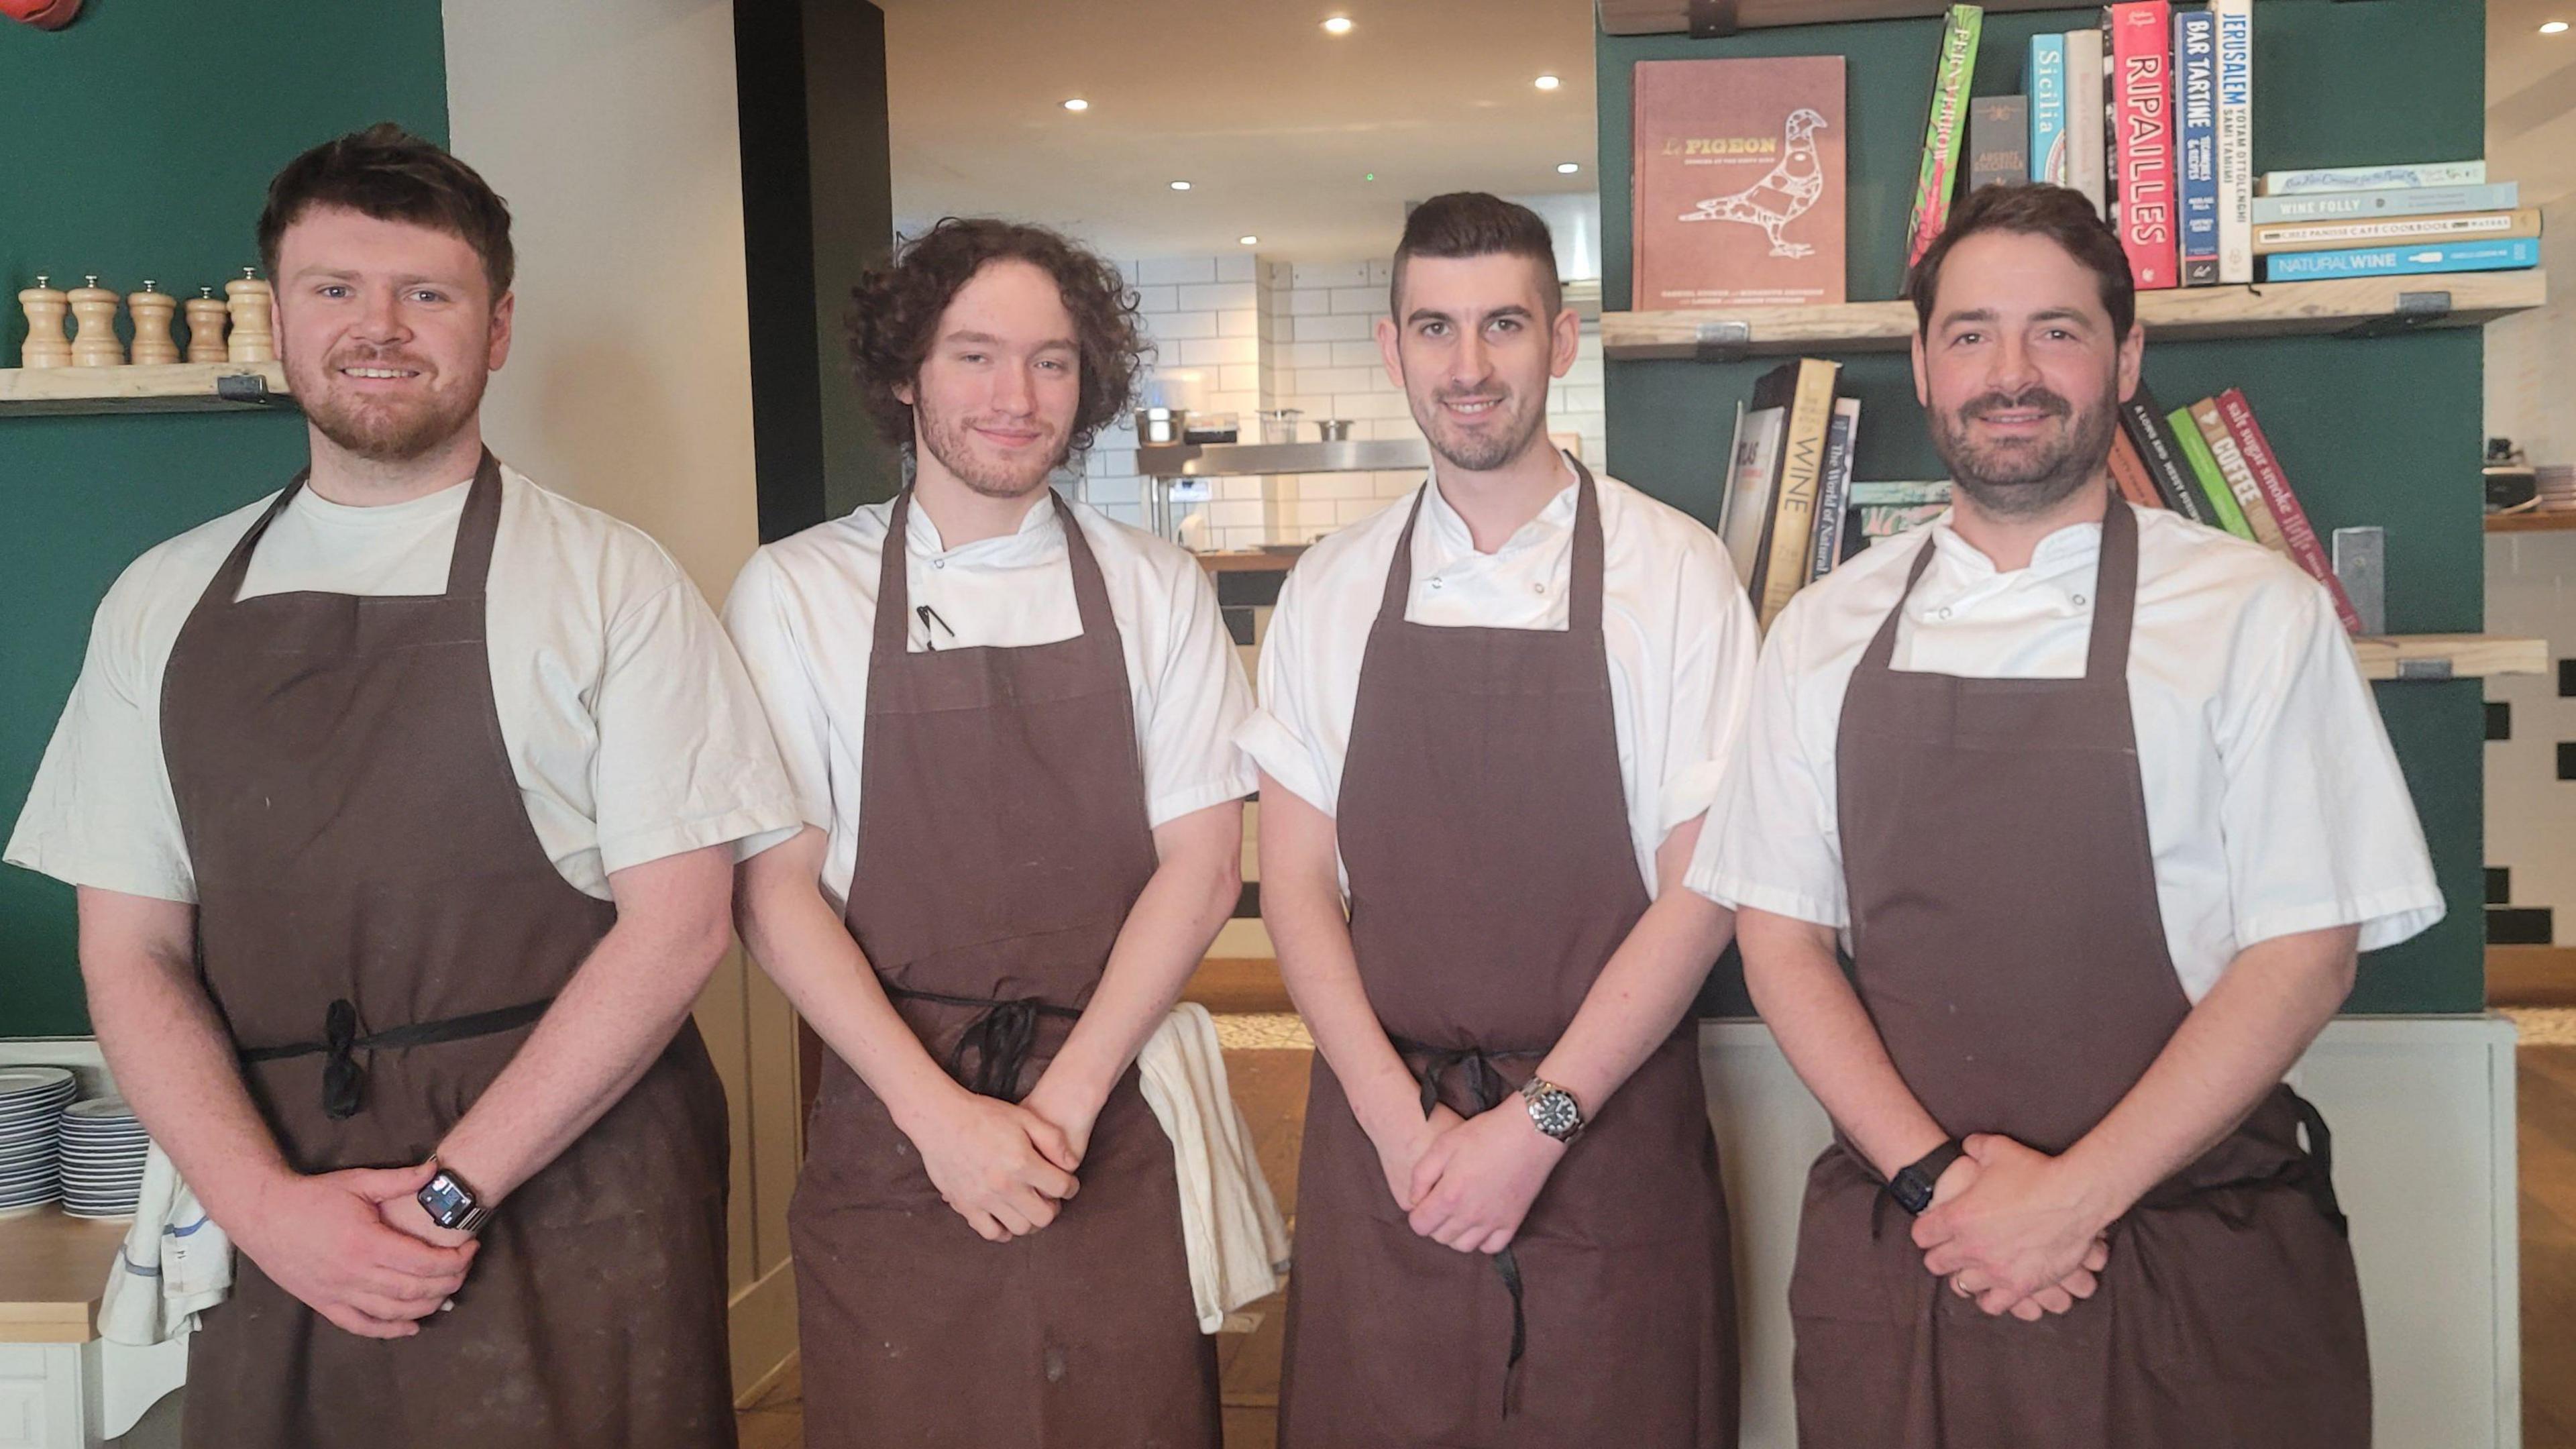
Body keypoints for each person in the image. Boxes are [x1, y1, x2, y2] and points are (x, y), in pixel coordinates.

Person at [4, 124, 798, 1446]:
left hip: (574, 1174)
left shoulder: (614, 582)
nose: (380, 327)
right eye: (335, 290)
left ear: (494, 331)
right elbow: (131, 953)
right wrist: (269, 1214)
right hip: (280, 1179)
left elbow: (679, 932)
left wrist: (445, 1199)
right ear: (277, 315)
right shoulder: (160, 601)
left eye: (427, 293)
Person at [1695, 180, 2442, 1446]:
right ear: (1925, 365)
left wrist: (2071, 1200)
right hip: (1921, 1248)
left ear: (2126, 355)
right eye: (1972, 333)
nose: (2013, 372)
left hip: (2190, 1258)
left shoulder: (2256, 615)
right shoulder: (1820, 634)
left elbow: (2307, 952)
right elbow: (1781, 941)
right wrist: (1948, 1187)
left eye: (2059, 330)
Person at [724, 217, 1252, 1448]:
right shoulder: (799, 589)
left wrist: (1061, 1109)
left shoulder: (1153, 586)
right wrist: (941, 1120)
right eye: (974, 356)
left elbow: (1204, 862)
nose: (1017, 397)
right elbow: (776, 889)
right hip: (896, 1119)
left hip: (1110, 1113)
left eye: (1053, 361)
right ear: (905, 372)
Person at [1244, 192, 1756, 1447]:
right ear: (1392, 347)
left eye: (1503, 326)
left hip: (1606, 1139)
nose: (1468, 368)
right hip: (1390, 1148)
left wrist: (1540, 1126)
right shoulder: (1332, 587)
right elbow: (1297, 878)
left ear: (1561, 341)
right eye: (1435, 329)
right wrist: (1394, 1119)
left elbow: (1706, 889)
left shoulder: (1676, 573)